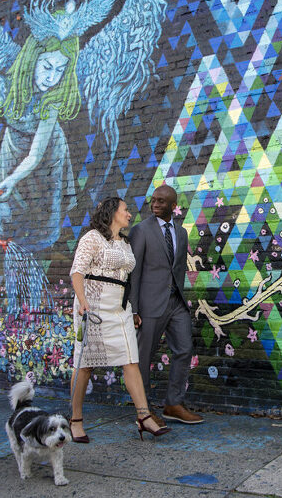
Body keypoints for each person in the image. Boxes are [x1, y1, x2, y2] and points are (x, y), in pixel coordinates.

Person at [69, 197, 169, 442]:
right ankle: (75, 420)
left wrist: (132, 311)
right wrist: (82, 301)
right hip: (93, 306)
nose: (129, 213)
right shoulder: (92, 238)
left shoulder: (124, 243)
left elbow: (128, 278)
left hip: (121, 308)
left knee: (130, 360)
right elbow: (77, 272)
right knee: (85, 364)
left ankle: (144, 417)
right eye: (125, 209)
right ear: (112, 212)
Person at [0, 33, 77, 252]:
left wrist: (12, 179)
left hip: (47, 153)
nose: (52, 78)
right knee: (5, 204)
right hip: (12, 147)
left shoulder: (51, 103)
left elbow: (35, 155)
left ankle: (40, 249)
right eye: (47, 67)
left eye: (60, 70)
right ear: (32, 61)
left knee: (43, 209)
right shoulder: (6, 88)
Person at [129, 185, 204, 424]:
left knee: (184, 349)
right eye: (153, 200)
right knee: (143, 356)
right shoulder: (141, 230)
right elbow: (134, 271)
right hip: (149, 305)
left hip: (175, 302)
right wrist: (134, 308)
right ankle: (144, 411)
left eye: (161, 201)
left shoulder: (181, 233)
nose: (155, 205)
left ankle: (173, 404)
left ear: (174, 206)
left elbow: (177, 269)